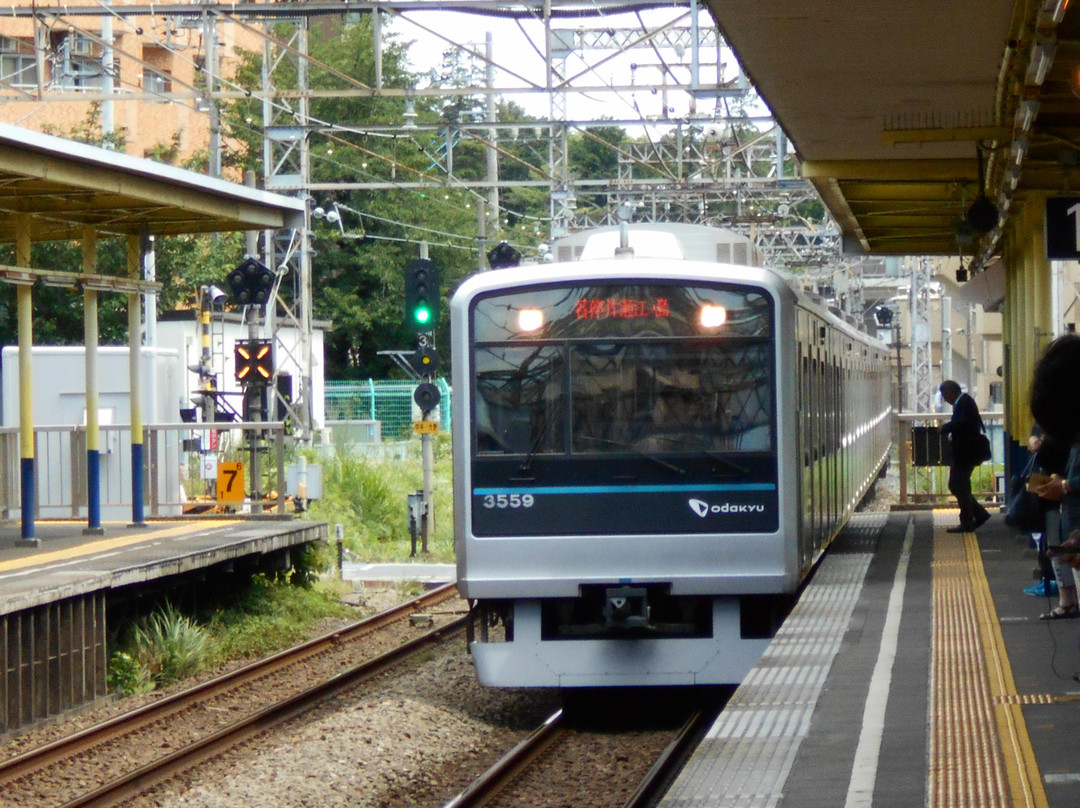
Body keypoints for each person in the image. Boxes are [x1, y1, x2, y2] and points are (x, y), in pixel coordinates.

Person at [939, 380, 991, 533]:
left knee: (957, 485)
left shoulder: (964, 403)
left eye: (945, 395)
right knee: (960, 485)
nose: (945, 399)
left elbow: (962, 423)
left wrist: (945, 428)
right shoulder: (965, 402)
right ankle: (975, 516)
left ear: (951, 393)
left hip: (965, 453)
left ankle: (972, 518)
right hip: (966, 452)